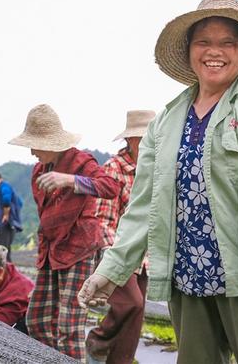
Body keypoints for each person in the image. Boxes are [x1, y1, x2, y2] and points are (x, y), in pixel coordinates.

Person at [78, 0, 238, 364]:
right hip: (188, 276)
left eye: (228, 42)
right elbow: (144, 204)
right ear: (189, 52)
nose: (215, 52)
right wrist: (114, 268)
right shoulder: (166, 121)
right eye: (204, 42)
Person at [8, 104, 120, 360]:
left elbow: (109, 187)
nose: (32, 151)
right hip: (51, 249)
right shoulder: (39, 169)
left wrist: (69, 180)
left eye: (35, 145)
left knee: (69, 325)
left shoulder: (80, 161)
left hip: (77, 248)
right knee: (37, 318)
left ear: (50, 143)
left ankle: (70, 359)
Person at [85, 110, 155, 364]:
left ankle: (120, 360)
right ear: (131, 140)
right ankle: (98, 342)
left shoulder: (156, 167)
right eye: (144, 138)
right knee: (131, 304)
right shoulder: (114, 169)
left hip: (146, 255)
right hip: (120, 252)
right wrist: (115, 254)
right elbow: (103, 218)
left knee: (136, 317)